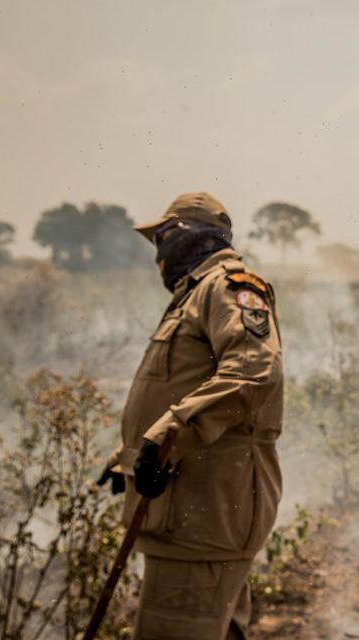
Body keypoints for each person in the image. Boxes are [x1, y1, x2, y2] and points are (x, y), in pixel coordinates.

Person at [97, 191, 284, 640]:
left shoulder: (227, 286)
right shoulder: (197, 294)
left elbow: (255, 371)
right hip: (192, 514)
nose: (158, 251)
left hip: (202, 520)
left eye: (161, 236)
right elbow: (178, 386)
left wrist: (164, 438)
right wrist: (131, 456)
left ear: (186, 234)